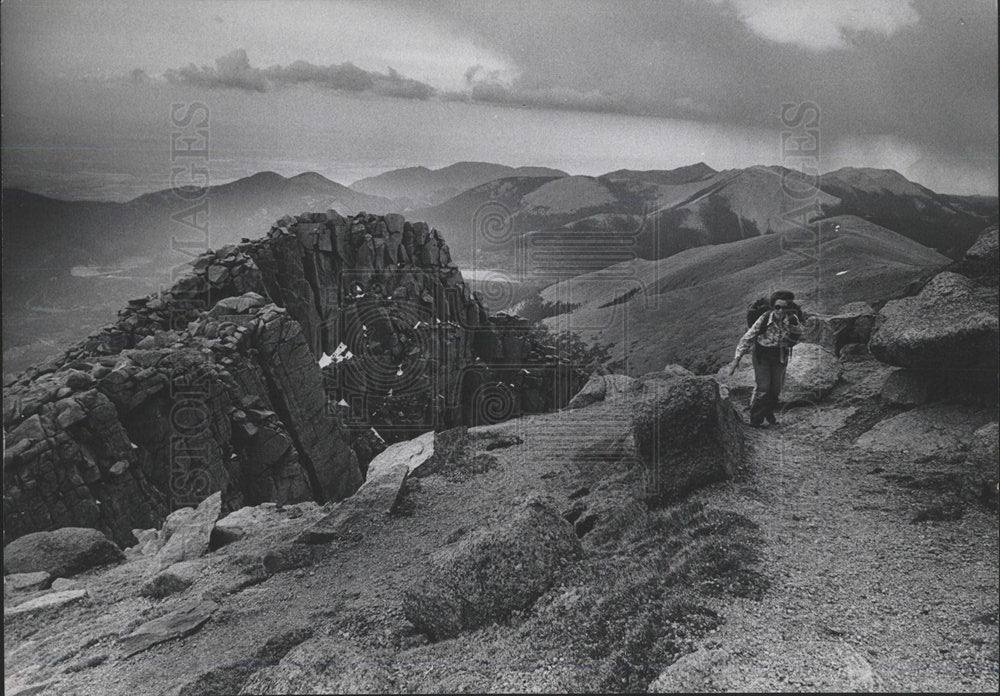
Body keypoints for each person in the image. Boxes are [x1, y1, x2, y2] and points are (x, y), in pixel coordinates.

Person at [728, 291, 803, 427]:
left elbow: (799, 333)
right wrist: (736, 360)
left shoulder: (792, 319)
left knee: (776, 389)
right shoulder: (764, 318)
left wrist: (791, 335)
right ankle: (756, 420)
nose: (780, 310)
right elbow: (748, 337)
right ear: (773, 307)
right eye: (777, 307)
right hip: (762, 356)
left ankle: (767, 412)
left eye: (784, 307)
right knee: (763, 388)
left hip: (780, 356)